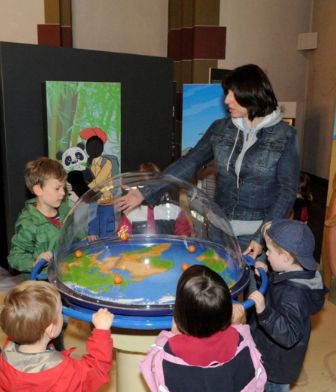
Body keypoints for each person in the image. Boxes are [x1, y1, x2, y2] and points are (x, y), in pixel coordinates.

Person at [117, 64, 300, 260]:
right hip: (218, 228)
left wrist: (263, 236)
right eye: (227, 93)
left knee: (252, 289)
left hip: (255, 235)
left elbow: (286, 192)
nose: (226, 99)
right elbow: (189, 162)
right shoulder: (220, 129)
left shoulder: (285, 135)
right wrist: (145, 191)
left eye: (232, 93)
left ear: (252, 94)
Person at [140, 265, 267, 392]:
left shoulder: (167, 353)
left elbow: (151, 368)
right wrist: (239, 325)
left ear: (180, 315)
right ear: (226, 312)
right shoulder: (240, 340)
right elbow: (257, 380)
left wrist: (171, 335)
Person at [248, 219, 326, 392]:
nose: (266, 254)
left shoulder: (295, 294)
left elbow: (289, 334)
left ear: (286, 256)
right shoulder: (289, 273)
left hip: (277, 363)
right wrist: (264, 277)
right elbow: (278, 294)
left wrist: (263, 311)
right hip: (271, 350)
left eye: (269, 250)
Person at [0, 280, 114, 392]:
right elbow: (97, 369)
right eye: (60, 312)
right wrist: (101, 331)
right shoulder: (64, 372)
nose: (62, 315)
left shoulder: (6, 354)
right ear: (51, 330)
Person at [7, 157, 73, 273]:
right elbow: (15, 257)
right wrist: (35, 262)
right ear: (38, 190)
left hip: (67, 269)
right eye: (57, 188)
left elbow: (76, 232)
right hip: (43, 281)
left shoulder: (65, 209)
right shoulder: (28, 223)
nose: (63, 193)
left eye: (63, 188)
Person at [117, 162, 192, 236]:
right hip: (140, 248)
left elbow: (183, 235)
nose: (150, 190)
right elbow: (123, 236)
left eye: (153, 185)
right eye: (145, 185)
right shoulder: (131, 212)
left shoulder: (174, 210)